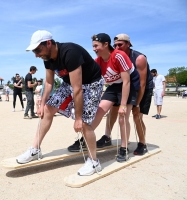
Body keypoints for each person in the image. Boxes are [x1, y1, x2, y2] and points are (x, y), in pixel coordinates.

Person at [16, 30, 104, 176]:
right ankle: (35, 149)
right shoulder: (47, 57)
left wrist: (78, 118)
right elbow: (49, 82)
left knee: (85, 123)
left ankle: (94, 162)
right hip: (70, 83)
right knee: (48, 109)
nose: (36, 54)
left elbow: (78, 90)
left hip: (91, 84)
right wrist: (43, 103)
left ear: (49, 43)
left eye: (38, 49)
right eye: (34, 51)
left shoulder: (70, 53)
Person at [68, 33, 140, 162]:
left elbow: (126, 82)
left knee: (123, 117)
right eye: (93, 46)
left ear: (106, 44)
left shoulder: (119, 55)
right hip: (113, 86)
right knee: (99, 111)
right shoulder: (98, 61)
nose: (94, 49)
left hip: (129, 85)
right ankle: (85, 139)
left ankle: (124, 148)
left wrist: (123, 104)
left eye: (96, 46)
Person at [78, 34, 153, 156]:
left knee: (133, 115)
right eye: (115, 45)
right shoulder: (102, 59)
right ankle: (98, 137)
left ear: (128, 44)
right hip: (118, 84)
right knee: (108, 110)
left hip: (137, 85)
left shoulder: (138, 58)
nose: (117, 47)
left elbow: (141, 83)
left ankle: (141, 144)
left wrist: (135, 103)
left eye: (120, 44)